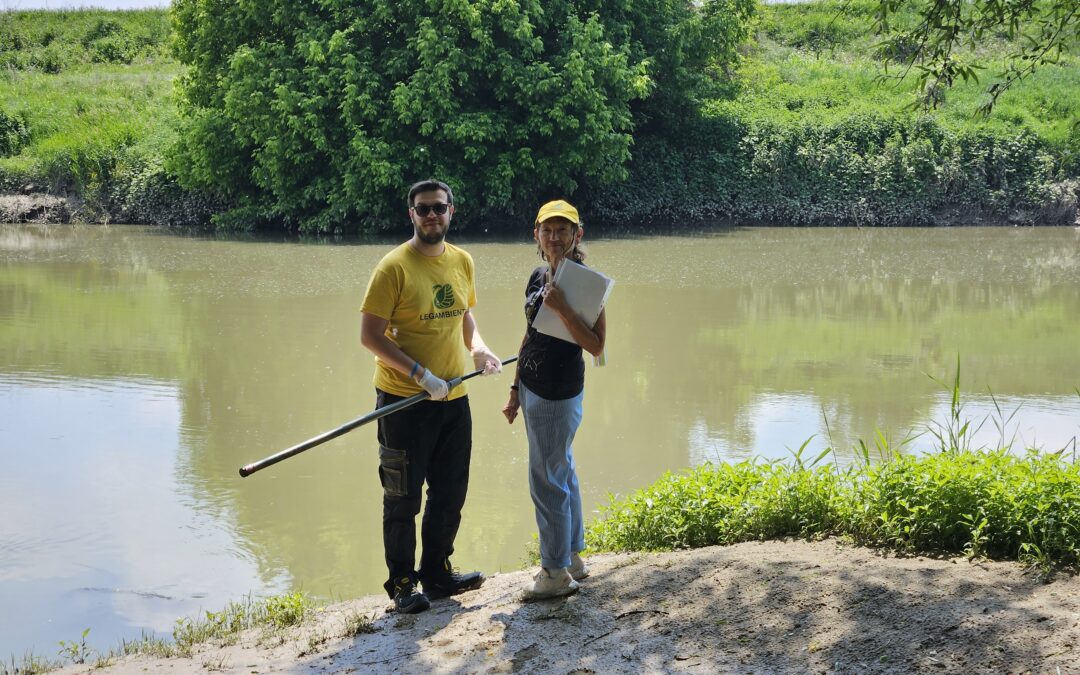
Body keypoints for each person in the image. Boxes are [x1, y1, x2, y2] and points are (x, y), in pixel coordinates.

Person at [360, 179, 502, 613]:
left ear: (451, 211)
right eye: (423, 209)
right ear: (412, 215)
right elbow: (370, 336)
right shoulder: (393, 268)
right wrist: (419, 374)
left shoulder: (462, 260)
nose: (431, 215)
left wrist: (479, 348)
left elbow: (464, 314)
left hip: (453, 398)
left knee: (450, 491)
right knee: (402, 498)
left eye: (439, 207)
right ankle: (403, 583)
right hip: (404, 401)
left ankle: (437, 573)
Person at [502, 199, 606, 600]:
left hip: (557, 393)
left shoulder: (587, 284)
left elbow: (596, 346)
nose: (554, 237)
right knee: (561, 469)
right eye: (547, 229)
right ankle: (571, 559)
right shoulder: (538, 274)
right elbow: (530, 333)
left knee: (547, 480)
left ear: (578, 235)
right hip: (531, 385)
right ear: (536, 235)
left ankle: (554, 573)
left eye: (563, 229)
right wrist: (515, 388)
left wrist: (563, 309)